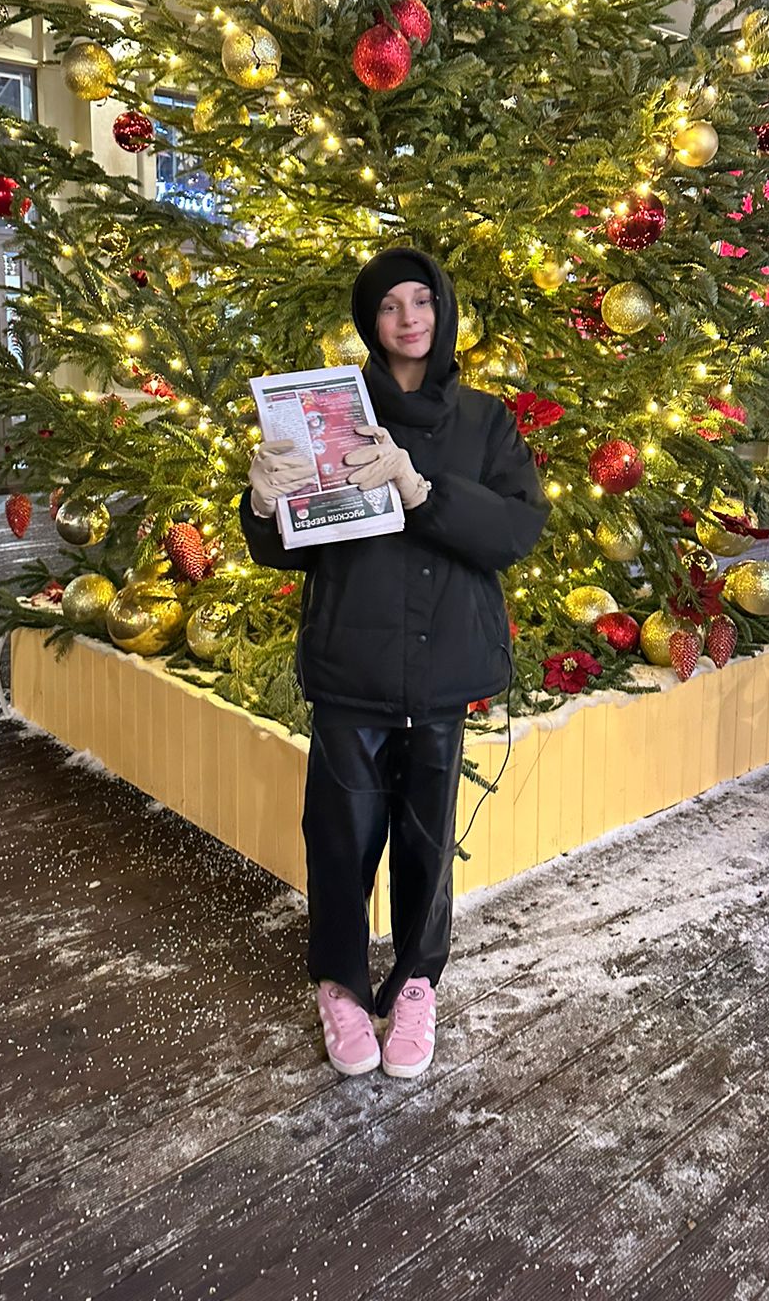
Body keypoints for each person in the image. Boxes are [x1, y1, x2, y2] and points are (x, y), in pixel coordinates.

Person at [239, 249, 548, 1078]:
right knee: (339, 838)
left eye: (422, 301)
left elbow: (516, 532)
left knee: (427, 841)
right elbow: (287, 546)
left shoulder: (486, 421)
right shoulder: (324, 414)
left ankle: (415, 983)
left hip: (443, 667)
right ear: (369, 322)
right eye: (389, 306)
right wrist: (263, 502)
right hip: (352, 660)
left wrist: (422, 491)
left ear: (443, 311)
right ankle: (341, 986)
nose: (408, 318)